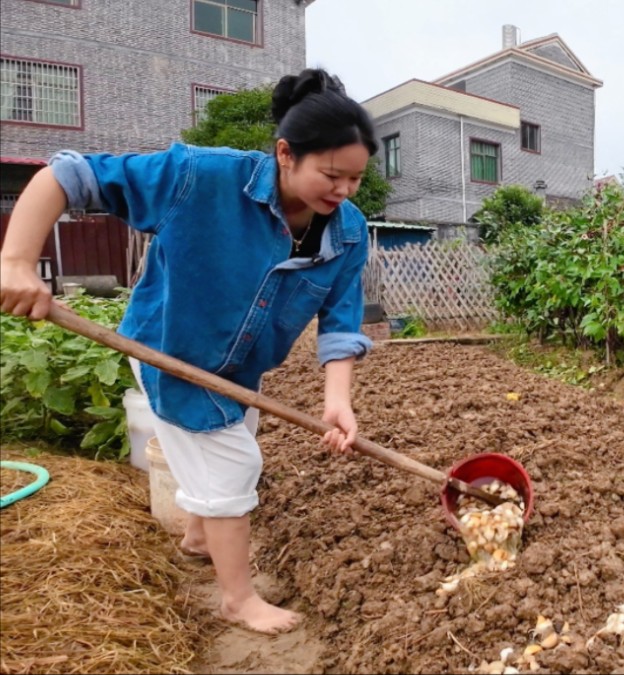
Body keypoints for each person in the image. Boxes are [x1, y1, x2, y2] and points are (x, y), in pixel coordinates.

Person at [0, 68, 376, 634]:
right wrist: (17, 263)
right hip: (168, 350)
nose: (342, 191)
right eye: (330, 174)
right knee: (232, 465)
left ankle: (200, 536)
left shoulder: (347, 231)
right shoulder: (199, 177)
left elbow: (341, 321)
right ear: (284, 153)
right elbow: (67, 175)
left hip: (242, 364)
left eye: (355, 179)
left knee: (233, 438)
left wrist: (338, 399)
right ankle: (238, 599)